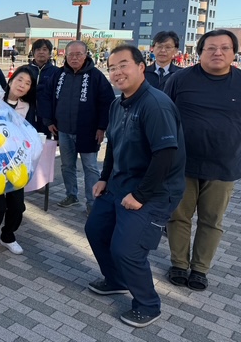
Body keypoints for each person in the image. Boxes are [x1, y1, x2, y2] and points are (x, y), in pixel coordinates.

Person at [85, 45, 185, 328]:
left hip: (153, 191)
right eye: (112, 67)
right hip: (119, 183)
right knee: (95, 230)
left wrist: (141, 195)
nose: (117, 72)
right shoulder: (117, 104)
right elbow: (113, 145)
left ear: (142, 67)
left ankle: (148, 304)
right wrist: (104, 177)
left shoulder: (155, 104)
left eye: (123, 65)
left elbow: (165, 155)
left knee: (127, 249)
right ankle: (116, 280)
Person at [164, 29, 241, 291]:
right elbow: (164, 115)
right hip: (182, 163)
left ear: (234, 53)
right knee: (178, 216)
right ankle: (178, 264)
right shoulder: (180, 79)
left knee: (211, 220)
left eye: (225, 48)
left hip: (224, 166)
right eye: (211, 48)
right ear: (200, 52)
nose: (218, 52)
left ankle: (200, 269)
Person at [38, 40, 114, 214]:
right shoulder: (59, 74)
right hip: (63, 130)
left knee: (90, 167)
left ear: (86, 55)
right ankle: (71, 195)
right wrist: (48, 121)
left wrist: (102, 127)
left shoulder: (96, 76)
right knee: (67, 165)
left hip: (89, 131)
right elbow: (45, 96)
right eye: (70, 54)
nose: (74, 58)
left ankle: (93, 202)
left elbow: (107, 102)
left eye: (78, 54)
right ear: (65, 55)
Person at [0, 66, 37, 257]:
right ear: (10, 81)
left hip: (15, 162)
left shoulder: (26, 107)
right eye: (20, 80)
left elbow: (27, 132)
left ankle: (8, 236)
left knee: (18, 206)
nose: (22, 85)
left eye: (27, 83)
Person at [26, 39, 58, 137]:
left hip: (48, 120)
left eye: (44, 49)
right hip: (27, 116)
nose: (41, 52)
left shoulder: (56, 72)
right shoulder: (25, 70)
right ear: (33, 52)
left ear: (49, 53)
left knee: (46, 144)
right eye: (38, 49)